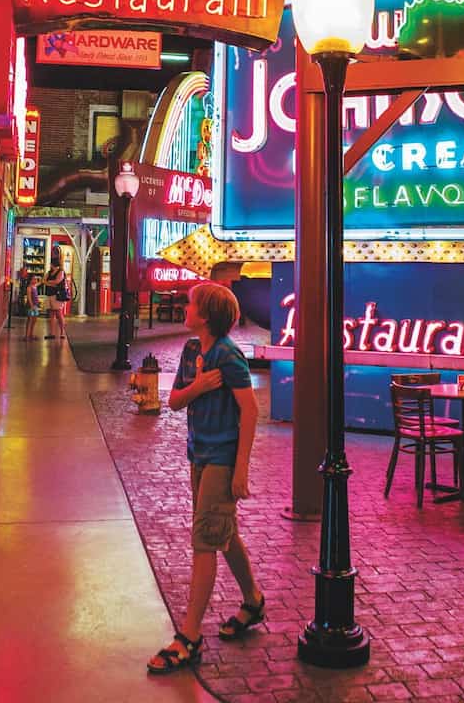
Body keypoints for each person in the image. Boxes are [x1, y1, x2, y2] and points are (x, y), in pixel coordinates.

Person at [147, 283, 264, 675]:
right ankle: (252, 601)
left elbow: (249, 410)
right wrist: (198, 385)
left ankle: (190, 636)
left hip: (221, 458)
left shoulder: (229, 355)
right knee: (221, 532)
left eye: (192, 303)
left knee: (204, 541)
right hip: (198, 453)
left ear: (207, 314)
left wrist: (241, 467)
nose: (186, 305)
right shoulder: (192, 350)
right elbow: (176, 400)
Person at [43, 247, 68, 340]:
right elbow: (44, 280)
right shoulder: (49, 272)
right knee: (51, 314)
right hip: (49, 294)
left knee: (58, 314)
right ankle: (52, 333)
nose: (50, 265)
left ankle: (62, 332)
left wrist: (49, 282)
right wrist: (50, 282)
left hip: (57, 295)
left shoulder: (60, 272)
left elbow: (57, 281)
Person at [23, 274, 41, 341]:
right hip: (31, 306)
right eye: (33, 279)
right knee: (30, 320)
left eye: (36, 279)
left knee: (34, 320)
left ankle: (31, 334)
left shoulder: (35, 286)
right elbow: (29, 298)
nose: (35, 280)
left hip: (35, 306)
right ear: (30, 280)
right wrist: (31, 305)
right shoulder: (29, 288)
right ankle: (27, 336)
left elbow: (41, 281)